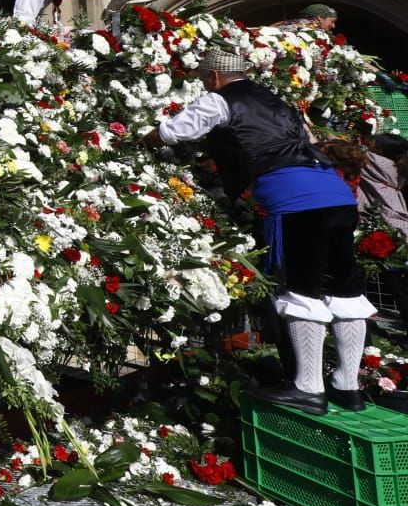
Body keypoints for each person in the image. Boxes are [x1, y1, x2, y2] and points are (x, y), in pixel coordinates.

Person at [146, 47, 371, 413]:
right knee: (345, 288)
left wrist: (143, 142)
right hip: (335, 194)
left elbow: (174, 132)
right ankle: (348, 387)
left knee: (302, 288)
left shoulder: (219, 101)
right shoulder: (281, 103)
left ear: (214, 77)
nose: (205, 84)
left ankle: (309, 388)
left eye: (205, 78)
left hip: (296, 201)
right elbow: (303, 144)